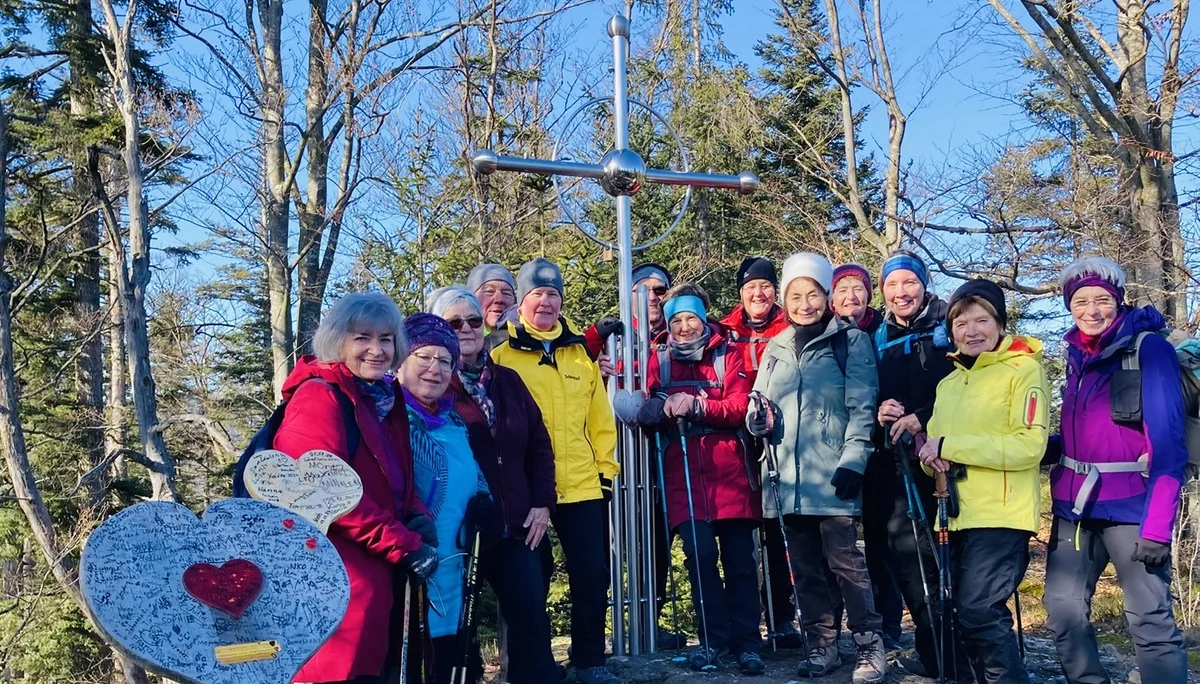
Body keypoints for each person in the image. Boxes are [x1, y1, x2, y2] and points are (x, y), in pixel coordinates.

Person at [273, 292, 438, 684]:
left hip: (374, 575)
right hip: (335, 582)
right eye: (362, 337)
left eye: (386, 339)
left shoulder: (381, 399)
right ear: (337, 340)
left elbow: (394, 478)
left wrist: (417, 515)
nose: (376, 350)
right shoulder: (319, 397)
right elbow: (319, 492)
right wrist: (405, 544)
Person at [1042, 257, 1188, 683]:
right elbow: (1078, 437)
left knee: (1149, 621)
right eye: (1080, 301)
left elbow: (1168, 444)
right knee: (1063, 611)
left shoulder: (1148, 349)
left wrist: (1158, 526)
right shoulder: (1076, 354)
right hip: (1075, 507)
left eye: (1102, 300)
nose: (1091, 310)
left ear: (1119, 300)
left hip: (1133, 507)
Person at [746, 252, 887, 684]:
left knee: (846, 563)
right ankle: (822, 645)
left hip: (833, 474)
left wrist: (854, 461)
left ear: (826, 296)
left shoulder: (851, 341)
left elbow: (862, 408)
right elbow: (760, 398)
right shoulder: (776, 345)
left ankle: (868, 644)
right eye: (795, 295)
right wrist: (756, 420)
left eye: (813, 294)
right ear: (784, 300)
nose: (804, 303)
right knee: (805, 569)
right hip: (787, 476)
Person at [490, 258, 621, 684]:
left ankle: (589, 661)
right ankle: (535, 666)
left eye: (552, 295)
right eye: (536, 295)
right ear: (522, 302)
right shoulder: (501, 355)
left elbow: (600, 419)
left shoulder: (580, 354)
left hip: (583, 486)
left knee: (592, 575)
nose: (545, 302)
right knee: (532, 582)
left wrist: (605, 472)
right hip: (528, 492)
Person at [427, 286, 560, 683]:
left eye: (472, 320)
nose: (466, 328)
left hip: (517, 522)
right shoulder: (432, 382)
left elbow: (539, 443)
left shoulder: (508, 380)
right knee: (456, 625)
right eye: (454, 322)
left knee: (530, 616)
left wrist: (543, 501)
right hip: (459, 529)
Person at [919, 279, 1048, 683]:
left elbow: (1030, 446)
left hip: (1001, 515)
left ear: (999, 323)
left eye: (982, 320)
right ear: (951, 330)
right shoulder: (949, 383)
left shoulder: (1023, 370)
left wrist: (950, 445)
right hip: (953, 514)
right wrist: (931, 458)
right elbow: (937, 452)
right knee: (957, 612)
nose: (972, 330)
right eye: (961, 323)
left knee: (978, 610)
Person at [635, 283, 764, 675]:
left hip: (730, 471)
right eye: (677, 320)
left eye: (691, 317)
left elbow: (740, 405)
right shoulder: (660, 359)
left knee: (741, 561)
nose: (686, 326)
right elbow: (647, 404)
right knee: (700, 556)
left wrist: (698, 405)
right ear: (669, 324)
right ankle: (713, 640)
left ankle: (748, 643)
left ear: (702, 318)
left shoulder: (729, 353)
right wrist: (657, 409)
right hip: (683, 474)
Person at [869, 250, 969, 680]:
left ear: (924, 285)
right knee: (910, 561)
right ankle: (936, 654)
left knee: (953, 562)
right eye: (891, 285)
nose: (900, 292)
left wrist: (922, 416)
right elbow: (864, 388)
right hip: (899, 465)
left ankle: (965, 656)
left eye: (908, 282)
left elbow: (970, 385)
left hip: (949, 463)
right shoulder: (878, 334)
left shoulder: (952, 324)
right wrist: (881, 408)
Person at [398, 313, 496, 684]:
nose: (434, 369)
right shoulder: (390, 418)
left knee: (451, 659)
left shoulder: (453, 421)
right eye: (424, 357)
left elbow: (472, 472)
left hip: (455, 562)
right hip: (411, 566)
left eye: (445, 361)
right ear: (402, 360)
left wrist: (483, 501)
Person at [718, 256, 802, 648]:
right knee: (743, 535)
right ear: (741, 293)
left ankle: (783, 618)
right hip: (738, 440)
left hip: (781, 434)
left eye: (766, 286)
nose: (759, 293)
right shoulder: (725, 330)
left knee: (777, 530)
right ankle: (745, 623)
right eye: (751, 287)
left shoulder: (791, 325)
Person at [830, 262, 902, 651]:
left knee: (881, 541)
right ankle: (832, 629)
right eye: (842, 290)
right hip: (833, 452)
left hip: (880, 452)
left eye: (858, 290)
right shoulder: (825, 334)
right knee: (835, 544)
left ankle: (887, 624)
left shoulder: (882, 334)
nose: (850, 298)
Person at [467, 263, 516, 335]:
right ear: (471, 298)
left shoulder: (528, 341)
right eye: (489, 291)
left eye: (506, 293)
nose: (499, 300)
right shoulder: (456, 341)